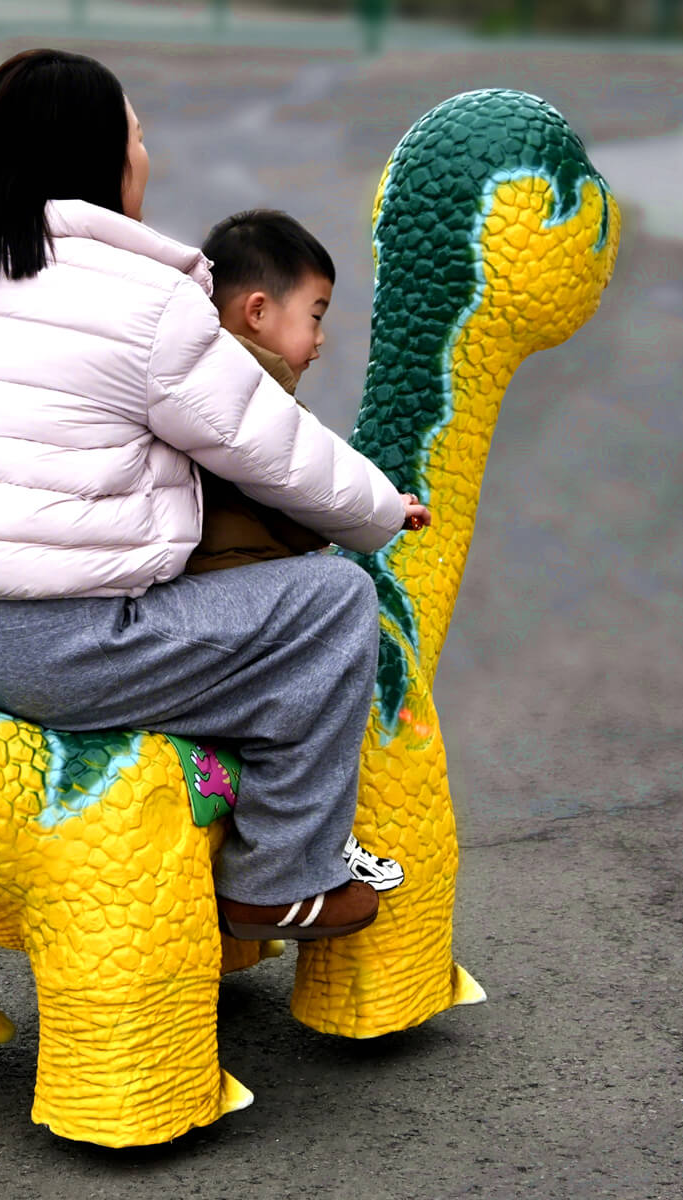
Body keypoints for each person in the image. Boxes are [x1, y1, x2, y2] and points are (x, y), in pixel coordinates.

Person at [0, 48, 432, 942]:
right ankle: (283, 877)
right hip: (49, 644)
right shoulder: (148, 300)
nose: (145, 156)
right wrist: (382, 509)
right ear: (97, 157)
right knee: (333, 603)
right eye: (135, 136)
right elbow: (276, 450)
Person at [187, 207, 414, 893]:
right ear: (258, 311)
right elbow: (311, 495)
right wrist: (384, 508)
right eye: (314, 316)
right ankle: (303, 851)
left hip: (196, 591)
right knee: (332, 640)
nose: (319, 340)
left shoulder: (194, 374)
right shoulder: (248, 399)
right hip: (221, 595)